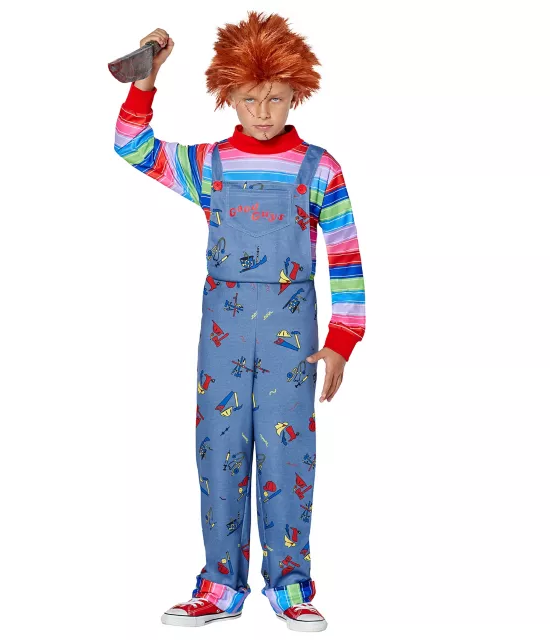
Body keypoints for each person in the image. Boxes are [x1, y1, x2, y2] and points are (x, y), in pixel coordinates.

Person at [113, 11, 366, 632]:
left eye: (275, 98)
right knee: (220, 451)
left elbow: (345, 256)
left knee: (288, 455)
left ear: (296, 93)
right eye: (250, 99)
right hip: (222, 334)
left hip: (292, 336)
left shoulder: (319, 168)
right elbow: (131, 146)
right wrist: (146, 80)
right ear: (228, 95)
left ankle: (291, 585)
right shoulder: (211, 164)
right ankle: (220, 585)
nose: (262, 112)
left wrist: (342, 340)